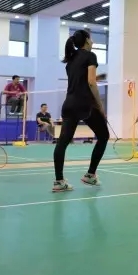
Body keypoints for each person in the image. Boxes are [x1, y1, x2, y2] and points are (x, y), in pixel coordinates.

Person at [53, 29, 109, 193]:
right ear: (86, 40)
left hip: (69, 104)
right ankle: (90, 174)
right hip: (85, 104)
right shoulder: (90, 56)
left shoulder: (71, 60)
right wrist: (100, 105)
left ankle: (59, 181)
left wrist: (96, 78)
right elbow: (91, 82)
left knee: (62, 143)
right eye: (91, 39)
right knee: (104, 136)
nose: (93, 42)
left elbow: (82, 79)